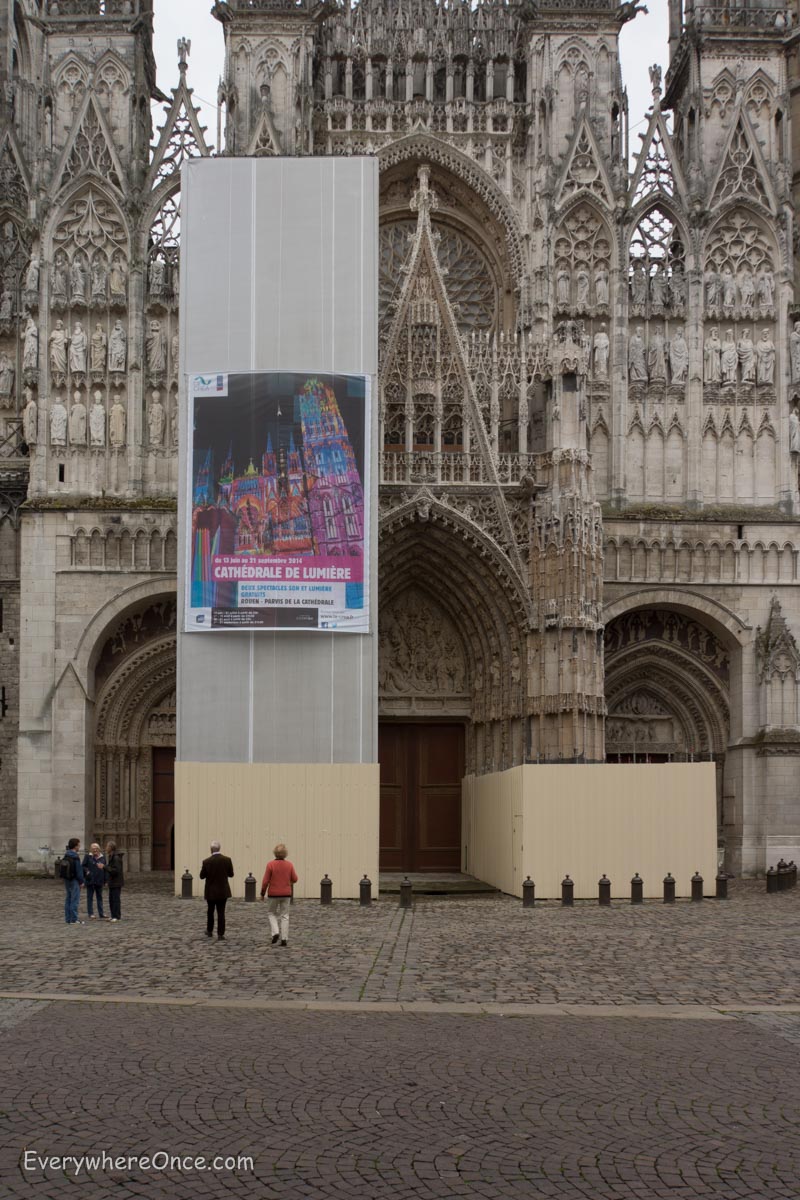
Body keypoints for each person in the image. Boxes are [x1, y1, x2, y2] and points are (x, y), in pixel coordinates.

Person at [260, 843, 298, 947]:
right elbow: (295, 879)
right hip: (286, 894)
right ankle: (284, 938)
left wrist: (262, 893)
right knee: (285, 915)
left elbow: (265, 881)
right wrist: (288, 882)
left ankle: (275, 932)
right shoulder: (289, 865)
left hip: (273, 894)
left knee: (271, 913)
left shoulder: (270, 865)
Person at [200, 841, 234, 940]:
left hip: (210, 891)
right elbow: (231, 874)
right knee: (221, 912)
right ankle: (220, 934)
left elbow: (202, 876)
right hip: (223, 891)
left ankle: (209, 931)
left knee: (210, 911)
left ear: (211, 850)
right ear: (219, 848)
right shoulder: (227, 860)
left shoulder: (206, 861)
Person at [61, 837, 85, 925]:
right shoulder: (75, 856)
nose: (79, 846)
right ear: (75, 846)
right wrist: (81, 882)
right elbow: (79, 871)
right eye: (78, 845)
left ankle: (68, 918)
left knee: (68, 898)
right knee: (75, 900)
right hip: (74, 880)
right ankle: (74, 919)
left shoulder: (66, 855)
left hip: (67, 879)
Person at [81, 842, 106, 920]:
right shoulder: (88, 856)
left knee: (100, 897)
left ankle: (101, 913)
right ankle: (91, 913)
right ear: (91, 849)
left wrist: (105, 880)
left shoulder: (102, 857)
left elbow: (105, 868)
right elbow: (83, 866)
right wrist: (87, 871)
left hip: (99, 879)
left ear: (99, 849)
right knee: (90, 897)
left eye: (96, 848)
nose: (95, 850)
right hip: (90, 880)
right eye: (93, 848)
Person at [105, 841, 124, 922]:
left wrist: (104, 867)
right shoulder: (111, 856)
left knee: (115, 900)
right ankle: (113, 915)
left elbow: (116, 871)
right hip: (112, 882)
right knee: (111, 899)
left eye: (107, 846)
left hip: (116, 882)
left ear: (111, 848)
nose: (106, 848)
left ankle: (117, 916)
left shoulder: (116, 858)